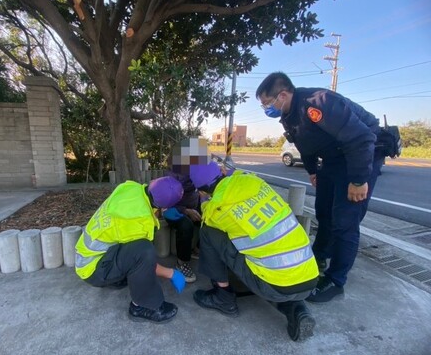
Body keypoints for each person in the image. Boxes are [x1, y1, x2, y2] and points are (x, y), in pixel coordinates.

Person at [256, 72, 385, 303]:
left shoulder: (317, 104)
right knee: (324, 212)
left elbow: (362, 138)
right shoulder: (289, 113)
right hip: (332, 160)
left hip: (358, 156)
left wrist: (357, 180)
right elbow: (305, 145)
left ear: (283, 95)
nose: (266, 108)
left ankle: (336, 280)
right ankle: (321, 255)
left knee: (345, 220)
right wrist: (313, 171)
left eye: (267, 103)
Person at [189, 161, 319, 341]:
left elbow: (207, 214)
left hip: (274, 285)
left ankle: (223, 297)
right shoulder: (254, 182)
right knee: (274, 262)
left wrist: (204, 202)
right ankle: (297, 308)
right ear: (223, 171)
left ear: (201, 190)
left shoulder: (216, 208)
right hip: (310, 277)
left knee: (208, 232)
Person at [74, 176, 186, 324]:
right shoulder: (139, 222)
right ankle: (142, 306)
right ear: (164, 206)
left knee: (138, 249)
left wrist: (161, 211)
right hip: (94, 271)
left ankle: (118, 277)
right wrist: (171, 273)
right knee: (144, 251)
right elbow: (144, 259)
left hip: (86, 258)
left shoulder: (130, 188)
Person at [162, 169, 201, 283]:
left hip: (194, 206)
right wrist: (186, 211)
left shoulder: (198, 168)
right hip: (173, 209)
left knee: (211, 217)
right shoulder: (171, 174)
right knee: (186, 225)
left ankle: (197, 250)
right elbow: (165, 202)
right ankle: (182, 263)